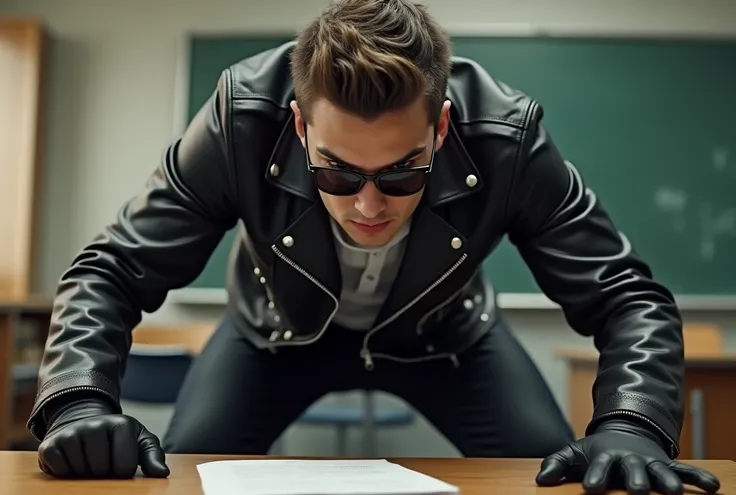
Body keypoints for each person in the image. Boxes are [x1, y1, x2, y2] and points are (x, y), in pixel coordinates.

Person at [28, 1, 720, 494]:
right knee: (187, 475)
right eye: (336, 171)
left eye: (400, 173)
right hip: (273, 335)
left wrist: (631, 423)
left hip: (450, 339)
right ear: (298, 125)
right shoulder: (240, 117)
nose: (367, 205)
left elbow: (627, 296)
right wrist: (77, 400)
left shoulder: (506, 138)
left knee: (556, 478)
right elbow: (112, 268)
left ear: (442, 127)